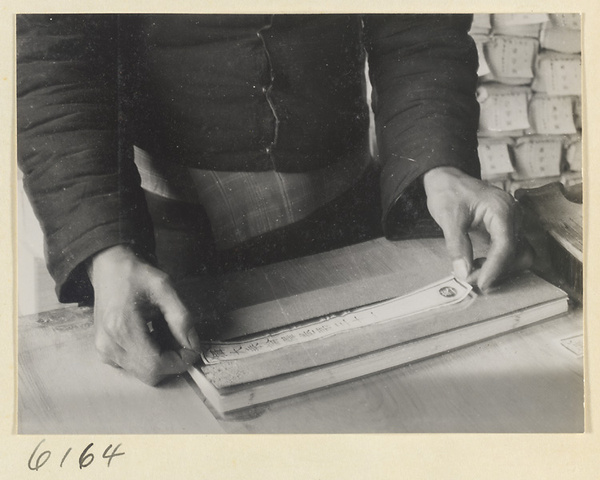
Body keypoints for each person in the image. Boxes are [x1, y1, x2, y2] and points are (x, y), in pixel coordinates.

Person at [17, 14, 526, 385]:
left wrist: (436, 163)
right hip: (163, 249)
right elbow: (51, 58)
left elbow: (419, 26)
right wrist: (105, 249)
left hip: (352, 219)